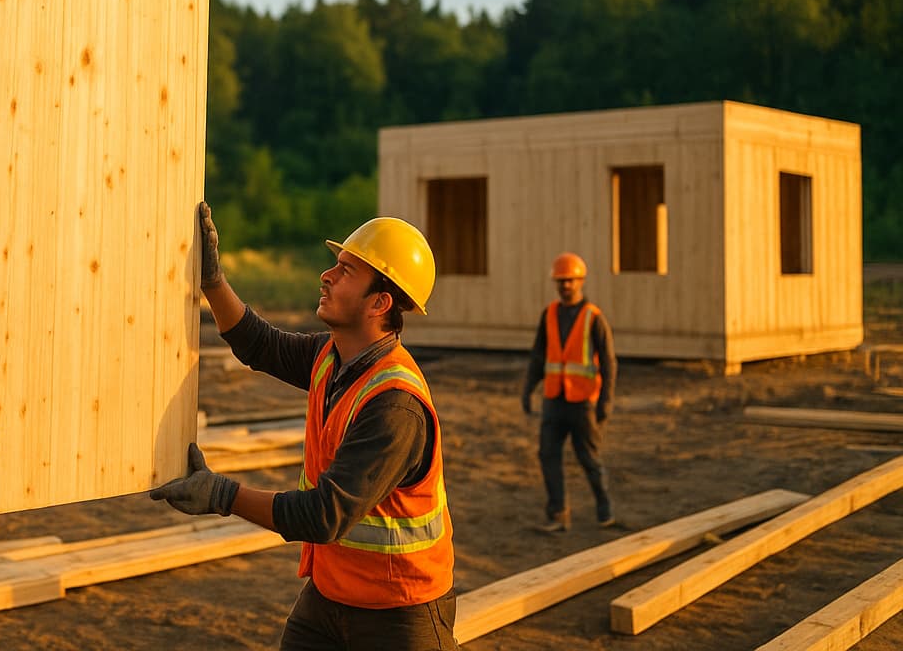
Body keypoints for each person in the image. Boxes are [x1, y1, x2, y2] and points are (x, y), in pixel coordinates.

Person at [151, 203, 458, 650]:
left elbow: (322, 516)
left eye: (346, 271)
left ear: (380, 303)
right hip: (331, 594)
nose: (326, 275)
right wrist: (213, 283)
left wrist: (222, 495)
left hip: (398, 612)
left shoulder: (395, 405)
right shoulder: (331, 358)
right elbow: (261, 345)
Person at [520, 251, 617, 533]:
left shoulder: (593, 317)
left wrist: (605, 402)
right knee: (547, 455)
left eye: (570, 281)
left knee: (589, 458)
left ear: (580, 281)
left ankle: (604, 508)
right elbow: (538, 356)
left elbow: (609, 361)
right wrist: (528, 389)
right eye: (561, 281)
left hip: (583, 402)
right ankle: (558, 514)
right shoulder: (548, 314)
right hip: (554, 400)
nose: (565, 286)